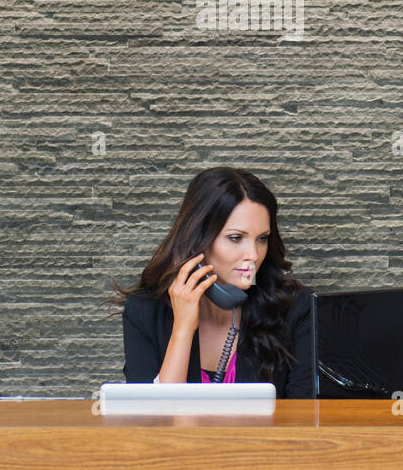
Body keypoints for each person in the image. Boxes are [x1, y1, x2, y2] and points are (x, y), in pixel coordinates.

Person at [115, 166, 313, 397]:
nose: (254, 255)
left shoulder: (296, 308)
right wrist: (183, 329)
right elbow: (153, 418)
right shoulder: (146, 310)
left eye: (262, 239)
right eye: (235, 238)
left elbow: (307, 415)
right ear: (199, 240)